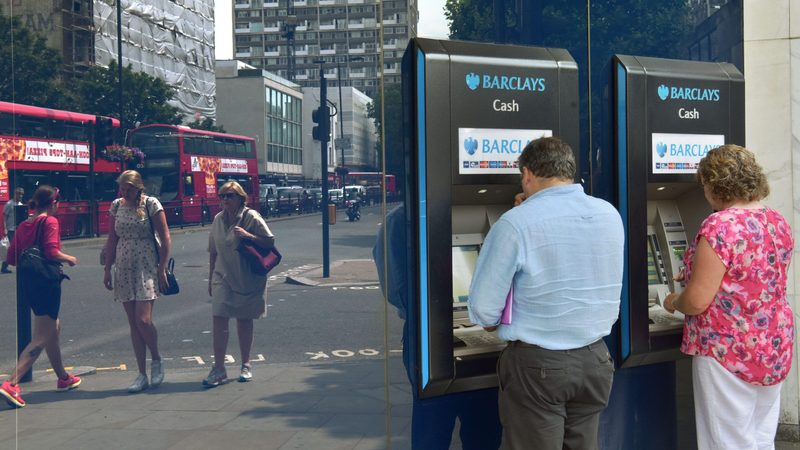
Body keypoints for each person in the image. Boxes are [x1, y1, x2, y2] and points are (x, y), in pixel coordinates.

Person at [469, 137, 625, 450]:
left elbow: (485, 310)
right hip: (595, 359)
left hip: (538, 366)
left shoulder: (515, 223)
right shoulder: (609, 214)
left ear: (527, 174)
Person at [663, 145, 794, 450]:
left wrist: (672, 301)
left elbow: (696, 301)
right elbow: (753, 277)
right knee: (761, 438)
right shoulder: (776, 220)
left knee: (726, 442)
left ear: (714, 183)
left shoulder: (720, 225)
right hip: (772, 344)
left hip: (727, 347)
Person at [373, 205, 502, 449]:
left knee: (432, 430)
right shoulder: (401, 220)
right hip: (472, 329)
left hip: (426, 333)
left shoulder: (399, 220)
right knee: (484, 429)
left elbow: (394, 287)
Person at [0, 185, 81, 408]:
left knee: (52, 328)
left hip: (28, 280)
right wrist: (69, 258)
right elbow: (52, 251)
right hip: (47, 279)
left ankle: (63, 378)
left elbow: (12, 258)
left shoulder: (25, 224)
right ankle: (11, 383)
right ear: (53, 203)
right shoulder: (50, 222)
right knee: (42, 335)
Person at [102, 170, 171, 393]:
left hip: (146, 264)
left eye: (128, 188)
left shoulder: (151, 204)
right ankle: (141, 373)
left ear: (138, 186)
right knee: (133, 323)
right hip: (123, 265)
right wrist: (107, 268)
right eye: (122, 188)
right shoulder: (116, 206)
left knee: (143, 320)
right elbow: (112, 238)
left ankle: (157, 359)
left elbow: (165, 236)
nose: (124, 192)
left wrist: (162, 267)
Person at [205, 181, 275, 387]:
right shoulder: (218, 219)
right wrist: (210, 278)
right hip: (222, 276)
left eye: (230, 196)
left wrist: (248, 235)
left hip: (247, 276)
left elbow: (269, 241)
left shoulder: (251, 217)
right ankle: (219, 369)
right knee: (219, 317)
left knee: (244, 320)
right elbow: (213, 252)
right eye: (222, 196)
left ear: (240, 198)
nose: (225, 200)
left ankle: (246, 364)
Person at [1, 187, 24, 274]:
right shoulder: (9, 204)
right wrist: (5, 228)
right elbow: (4, 217)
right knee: (10, 249)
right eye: (19, 194)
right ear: (15, 194)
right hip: (11, 230)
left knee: (19, 248)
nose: (21, 196)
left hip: (18, 229)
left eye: (22, 194)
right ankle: (4, 267)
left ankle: (19, 265)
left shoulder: (21, 205)